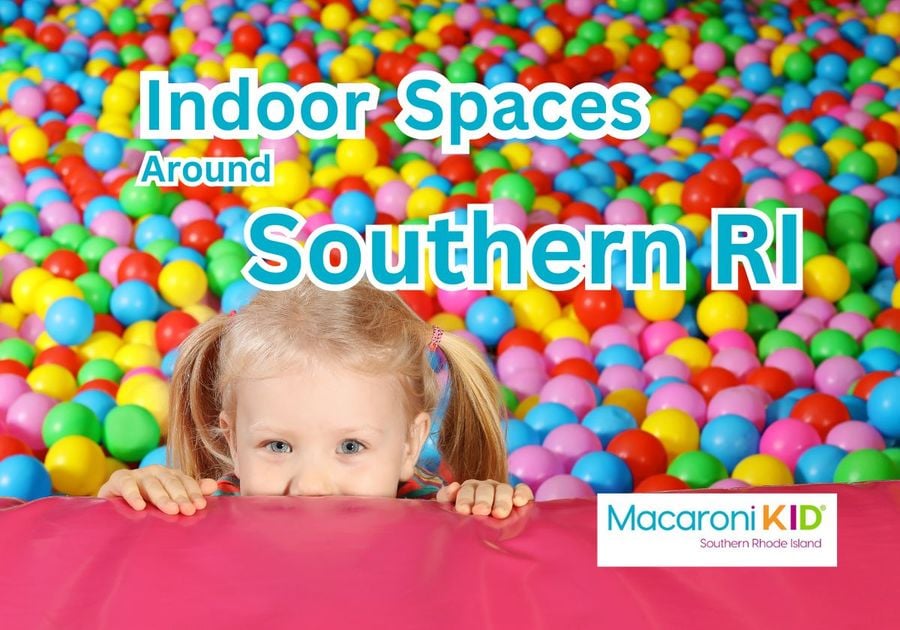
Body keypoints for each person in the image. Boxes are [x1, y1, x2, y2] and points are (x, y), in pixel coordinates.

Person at [99, 280, 533, 519]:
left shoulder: (437, 511)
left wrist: (487, 501)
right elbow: (111, 544)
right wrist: (131, 498)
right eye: (277, 446)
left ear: (409, 444)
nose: (310, 487)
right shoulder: (209, 508)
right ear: (232, 440)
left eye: (350, 446)